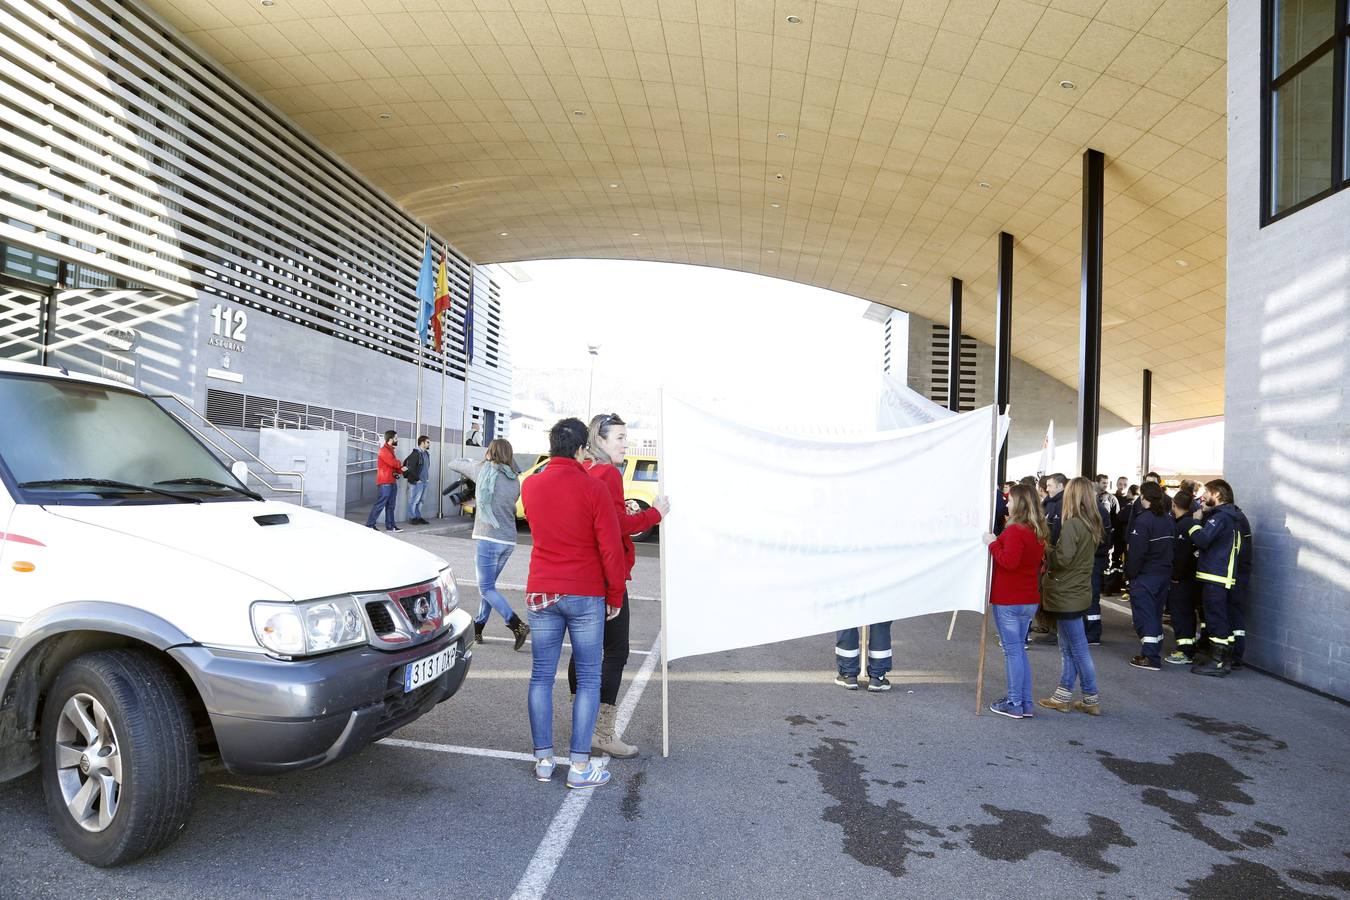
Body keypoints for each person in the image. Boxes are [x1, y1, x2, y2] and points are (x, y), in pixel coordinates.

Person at [521, 418, 626, 788]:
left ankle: (544, 761)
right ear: (583, 448)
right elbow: (610, 548)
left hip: (542, 590)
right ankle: (580, 767)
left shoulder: (531, 486)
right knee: (589, 679)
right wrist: (614, 594)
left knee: (541, 676)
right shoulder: (593, 487)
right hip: (584, 593)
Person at [567, 413, 670, 756]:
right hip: (605, 575)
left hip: (579, 575)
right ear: (600, 439)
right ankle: (603, 732)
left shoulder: (582, 469)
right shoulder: (608, 472)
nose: (627, 444)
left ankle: (582, 722)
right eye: (621, 438)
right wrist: (656, 513)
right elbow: (617, 529)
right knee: (615, 651)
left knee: (585, 652)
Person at [448, 439, 529, 651]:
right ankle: (479, 626)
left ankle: (516, 624)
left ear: (489, 453)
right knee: (489, 588)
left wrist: (481, 461)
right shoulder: (515, 480)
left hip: (489, 538)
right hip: (508, 540)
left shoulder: (482, 470)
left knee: (485, 588)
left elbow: (453, 463)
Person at [983, 483, 1049, 718]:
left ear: (1019, 503)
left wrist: (991, 542)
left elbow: (1008, 562)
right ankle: (1024, 702)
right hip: (1028, 598)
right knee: (1018, 651)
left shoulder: (1015, 530)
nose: (1007, 503)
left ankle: (1014, 702)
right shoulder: (1036, 530)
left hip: (1009, 599)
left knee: (1012, 652)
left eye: (1010, 500)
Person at [1037, 477, 1103, 716]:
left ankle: (1089, 697)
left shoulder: (1074, 524)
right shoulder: (1091, 522)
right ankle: (1065, 695)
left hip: (1066, 593)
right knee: (1072, 647)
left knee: (1076, 648)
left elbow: (1062, 560)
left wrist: (1045, 547)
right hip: (1078, 591)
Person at [1188, 479, 1252, 677]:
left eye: (1206, 492)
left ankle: (1217, 662)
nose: (1203, 496)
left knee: (1217, 620)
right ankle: (1221, 661)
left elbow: (1202, 540)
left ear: (1217, 494)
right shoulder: (1231, 516)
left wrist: (1195, 522)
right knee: (1218, 619)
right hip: (1221, 576)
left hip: (1216, 576)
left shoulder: (1221, 517)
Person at [1125, 482, 1174, 670]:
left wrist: (1130, 574)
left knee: (1145, 616)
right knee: (1154, 613)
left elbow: (1137, 553)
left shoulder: (1143, 520)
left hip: (1146, 576)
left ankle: (1150, 656)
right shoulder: (1167, 519)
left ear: (1144, 498)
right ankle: (1153, 650)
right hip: (1163, 573)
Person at [1164, 490, 1201, 665]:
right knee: (1188, 614)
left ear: (1174, 505)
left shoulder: (1182, 526)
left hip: (1182, 580)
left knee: (1181, 615)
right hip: (1193, 579)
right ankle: (1189, 649)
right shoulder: (1191, 524)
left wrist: (1175, 576)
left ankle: (1185, 652)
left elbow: (1180, 555)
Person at [364, 430, 404, 533]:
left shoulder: (391, 450)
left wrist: (401, 470)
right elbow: (392, 463)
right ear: (390, 439)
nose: (397, 440)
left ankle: (390, 527)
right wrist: (400, 463)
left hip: (391, 481)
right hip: (385, 482)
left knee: (391, 505)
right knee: (380, 504)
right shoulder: (384, 450)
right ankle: (369, 525)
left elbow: (394, 466)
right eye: (396, 438)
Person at [404, 435, 432, 525]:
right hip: (417, 482)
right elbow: (410, 468)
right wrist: (417, 479)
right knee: (414, 500)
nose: (429, 444)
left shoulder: (426, 453)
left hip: (424, 481)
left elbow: (425, 467)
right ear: (422, 442)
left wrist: (426, 479)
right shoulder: (415, 454)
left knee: (421, 501)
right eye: (427, 442)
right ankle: (412, 518)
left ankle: (418, 517)